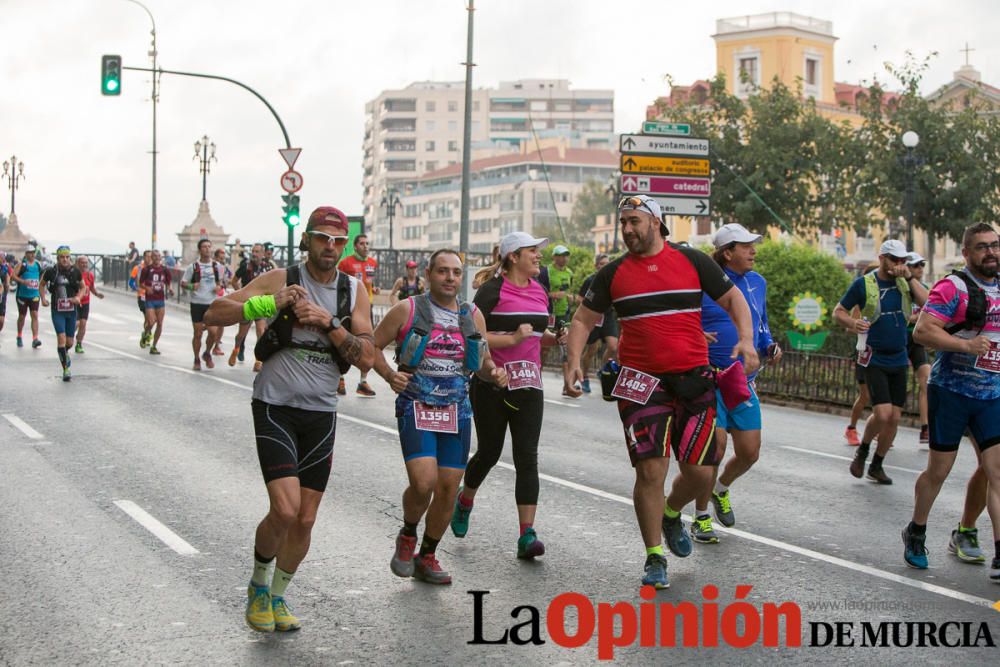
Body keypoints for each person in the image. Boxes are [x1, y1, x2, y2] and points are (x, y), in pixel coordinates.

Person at [564, 195, 758, 589]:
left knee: (701, 473)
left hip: (693, 377)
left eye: (634, 221)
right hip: (640, 383)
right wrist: (573, 362)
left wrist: (746, 340)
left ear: (656, 221)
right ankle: (654, 556)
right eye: (623, 223)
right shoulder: (613, 274)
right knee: (651, 469)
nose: (628, 230)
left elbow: (733, 298)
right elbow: (583, 320)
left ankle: (672, 512)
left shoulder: (691, 262)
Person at [204, 205, 375, 632]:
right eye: (322, 238)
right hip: (275, 406)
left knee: (305, 518)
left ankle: (278, 596)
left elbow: (367, 356)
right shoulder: (282, 279)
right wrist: (266, 302)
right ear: (308, 240)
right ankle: (258, 585)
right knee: (284, 508)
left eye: (338, 241)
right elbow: (214, 313)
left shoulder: (352, 292)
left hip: (321, 413)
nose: (330, 248)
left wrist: (330, 323)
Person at [374, 250, 507, 584]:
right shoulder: (408, 309)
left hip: (456, 411)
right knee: (423, 483)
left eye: (456, 272)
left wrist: (495, 373)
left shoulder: (472, 314)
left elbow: (484, 363)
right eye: (443, 271)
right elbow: (369, 346)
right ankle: (407, 535)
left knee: (448, 488)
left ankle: (427, 555)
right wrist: (391, 375)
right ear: (429, 274)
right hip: (416, 407)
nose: (450, 278)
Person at [451, 232, 564, 560]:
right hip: (493, 383)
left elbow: (537, 336)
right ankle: (465, 500)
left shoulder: (541, 291)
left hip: (530, 385)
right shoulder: (492, 291)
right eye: (532, 251)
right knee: (489, 452)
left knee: (527, 457)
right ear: (513, 256)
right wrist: (513, 338)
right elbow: (473, 336)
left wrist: (554, 340)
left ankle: (526, 534)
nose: (538, 257)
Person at [903, 222, 1000, 582]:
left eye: (995, 246)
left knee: (997, 471)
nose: (990, 252)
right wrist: (965, 346)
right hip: (951, 392)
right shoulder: (953, 287)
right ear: (966, 253)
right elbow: (923, 331)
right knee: (939, 471)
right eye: (982, 247)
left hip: (993, 395)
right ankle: (916, 529)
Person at [691, 223, 780, 544]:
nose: (753, 250)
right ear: (727, 253)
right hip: (710, 377)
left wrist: (768, 344)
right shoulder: (702, 285)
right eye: (745, 246)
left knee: (750, 452)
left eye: (753, 244)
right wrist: (694, 334)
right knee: (715, 447)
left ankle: (721, 488)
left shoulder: (757, 282)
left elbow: (762, 322)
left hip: (742, 381)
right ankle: (700, 516)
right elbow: (681, 319)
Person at [833, 239, 927, 485]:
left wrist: (909, 278)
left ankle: (876, 464)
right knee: (883, 414)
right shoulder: (864, 283)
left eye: (902, 260)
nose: (899, 264)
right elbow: (838, 312)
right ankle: (863, 448)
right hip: (874, 356)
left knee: (895, 417)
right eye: (894, 259)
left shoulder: (905, 283)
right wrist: (853, 323)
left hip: (899, 355)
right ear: (882, 258)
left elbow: (928, 303)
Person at [338, 234, 380, 397]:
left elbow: (370, 282)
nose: (365, 246)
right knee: (343, 340)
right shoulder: (345, 263)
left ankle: (363, 382)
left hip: (366, 306)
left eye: (367, 243)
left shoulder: (372, 263)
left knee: (367, 343)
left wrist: (374, 288)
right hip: (348, 307)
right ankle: (339, 377)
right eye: (362, 243)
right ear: (355, 246)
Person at [39, 247, 84, 381]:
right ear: (58, 259)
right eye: (62, 257)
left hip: (71, 311)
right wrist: (43, 299)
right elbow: (41, 285)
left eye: (67, 257)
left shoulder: (75, 271)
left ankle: (65, 353)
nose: (65, 260)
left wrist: (78, 298)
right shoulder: (51, 272)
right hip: (57, 311)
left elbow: (83, 287)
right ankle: (66, 369)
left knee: (69, 342)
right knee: (61, 338)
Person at [576, 253, 619, 394]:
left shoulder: (613, 280)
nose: (604, 266)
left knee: (613, 346)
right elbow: (579, 298)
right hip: (593, 317)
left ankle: (602, 370)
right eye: (601, 264)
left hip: (607, 317)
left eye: (607, 263)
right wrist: (590, 309)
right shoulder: (591, 280)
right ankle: (585, 376)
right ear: (596, 266)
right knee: (592, 349)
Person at [230, 243, 276, 371]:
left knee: (261, 332)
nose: (254, 254)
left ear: (262, 253)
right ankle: (236, 349)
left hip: (261, 304)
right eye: (253, 251)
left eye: (257, 252)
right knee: (241, 335)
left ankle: (258, 361)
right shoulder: (246, 266)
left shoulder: (268, 267)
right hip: (248, 304)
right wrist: (240, 293)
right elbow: (233, 281)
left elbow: (274, 283)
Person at [180, 239, 223, 370]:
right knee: (198, 334)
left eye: (209, 247)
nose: (207, 249)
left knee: (213, 332)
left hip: (212, 303)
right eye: (204, 247)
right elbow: (183, 283)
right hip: (197, 303)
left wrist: (219, 287)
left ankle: (207, 353)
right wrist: (192, 286)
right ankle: (197, 358)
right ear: (200, 250)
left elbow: (221, 283)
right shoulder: (193, 267)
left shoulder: (217, 266)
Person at [905, 252, 932, 445]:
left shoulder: (924, 289)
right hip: (900, 339)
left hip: (917, 341)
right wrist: (913, 318)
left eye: (922, 265)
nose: (920, 269)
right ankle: (883, 429)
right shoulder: (899, 287)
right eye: (915, 266)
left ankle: (925, 428)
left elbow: (931, 309)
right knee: (893, 386)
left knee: (925, 380)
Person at [546, 245, 575, 396]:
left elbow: (570, 292)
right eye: (560, 255)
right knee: (544, 348)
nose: (563, 258)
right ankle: (537, 375)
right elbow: (540, 291)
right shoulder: (547, 271)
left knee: (566, 347)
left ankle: (567, 385)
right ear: (554, 257)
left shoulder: (569, 272)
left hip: (564, 314)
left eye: (566, 255)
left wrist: (571, 298)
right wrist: (552, 295)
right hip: (550, 313)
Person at [139, 250, 173, 355]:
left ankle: (154, 346)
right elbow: (141, 283)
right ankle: (146, 333)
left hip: (160, 299)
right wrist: (147, 288)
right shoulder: (147, 269)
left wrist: (170, 289)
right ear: (152, 258)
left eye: (159, 256)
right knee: (151, 322)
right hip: (150, 299)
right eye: (155, 256)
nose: (157, 258)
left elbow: (168, 282)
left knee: (160, 323)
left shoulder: (165, 269)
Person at [12, 244, 43, 348]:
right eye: (30, 253)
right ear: (26, 254)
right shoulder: (22, 265)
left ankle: (35, 339)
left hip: (34, 294)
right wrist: (23, 281)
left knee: (34, 314)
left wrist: (41, 286)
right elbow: (13, 276)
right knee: (22, 316)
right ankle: (19, 336)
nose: (32, 255)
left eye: (33, 252)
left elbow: (42, 275)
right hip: (22, 295)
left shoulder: (38, 265)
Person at [74, 255, 104, 353]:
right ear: (78, 263)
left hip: (85, 303)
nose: (84, 264)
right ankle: (70, 334)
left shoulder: (89, 275)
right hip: (76, 302)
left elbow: (91, 287)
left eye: (86, 263)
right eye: (82, 262)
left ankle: (79, 344)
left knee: (83, 324)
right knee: (77, 323)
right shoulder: (74, 274)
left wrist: (97, 294)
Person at [211, 247, 233, 356]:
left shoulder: (224, 268)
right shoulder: (211, 267)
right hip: (209, 297)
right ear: (215, 257)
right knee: (210, 323)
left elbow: (229, 280)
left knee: (221, 322)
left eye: (223, 258)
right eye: (220, 258)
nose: (221, 260)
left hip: (220, 295)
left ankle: (216, 346)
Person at [0, 253, 11, 345]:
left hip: (1, 296)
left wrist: (7, 286)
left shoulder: (5, 268)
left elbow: (7, 281)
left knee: (1, 320)